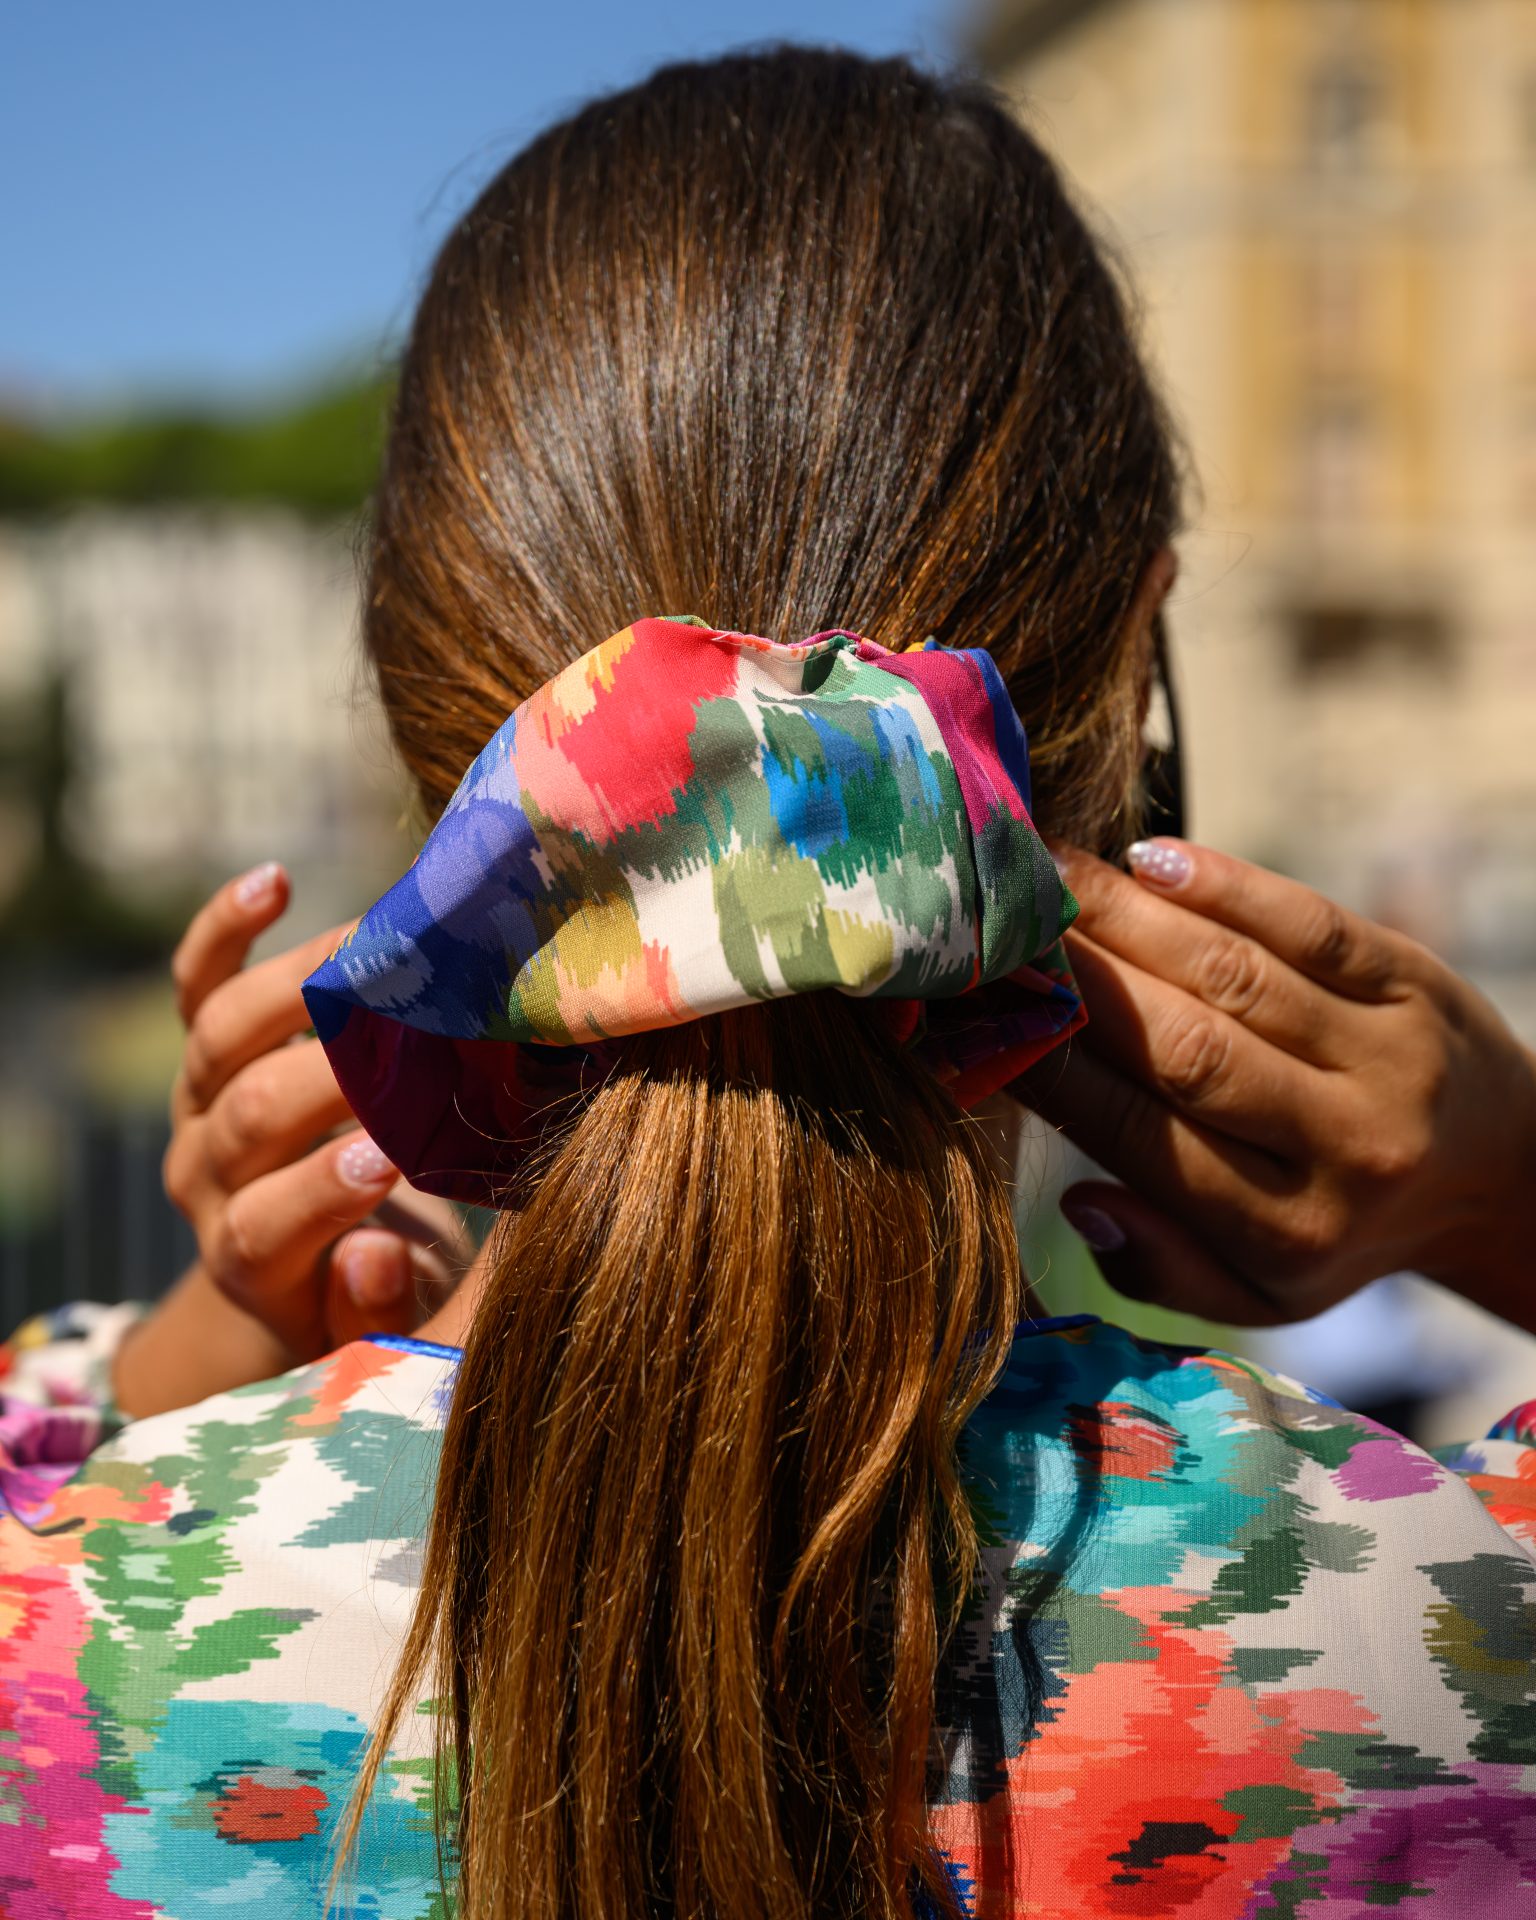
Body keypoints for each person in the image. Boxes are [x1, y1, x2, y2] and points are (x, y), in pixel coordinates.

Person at [3, 48, 1535, 1920]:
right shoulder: (1439, 1624)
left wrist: (195, 1353)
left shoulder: (57, 1650)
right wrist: (1503, 1186)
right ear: (1130, 677)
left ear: (442, 743)